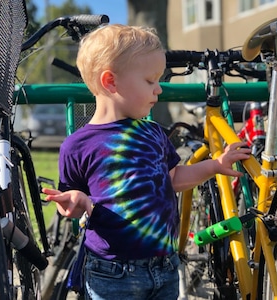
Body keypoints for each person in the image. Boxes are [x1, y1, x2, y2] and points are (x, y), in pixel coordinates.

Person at [42, 24, 251, 300]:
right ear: (110, 82)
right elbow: (72, 202)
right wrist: (77, 202)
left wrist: (214, 164)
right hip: (111, 273)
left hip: (165, 267)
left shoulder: (153, 132)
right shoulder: (77, 145)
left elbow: (174, 179)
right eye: (150, 81)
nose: (159, 90)